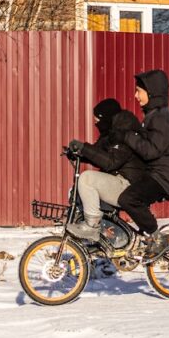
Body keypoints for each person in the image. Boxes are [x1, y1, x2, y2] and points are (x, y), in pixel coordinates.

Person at [119, 68, 169, 260]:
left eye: (139, 91)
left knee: (129, 199)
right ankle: (139, 239)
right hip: (157, 172)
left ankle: (157, 239)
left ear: (152, 92)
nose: (135, 95)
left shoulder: (162, 117)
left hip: (164, 176)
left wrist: (127, 136)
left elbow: (150, 150)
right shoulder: (153, 115)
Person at [65, 102, 147, 242]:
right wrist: (79, 153)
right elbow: (98, 155)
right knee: (78, 191)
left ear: (106, 118)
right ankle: (108, 238)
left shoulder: (125, 133)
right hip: (120, 182)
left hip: (129, 186)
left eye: (97, 121)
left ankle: (92, 226)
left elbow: (110, 162)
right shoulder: (110, 134)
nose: (96, 124)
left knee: (86, 179)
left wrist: (84, 147)